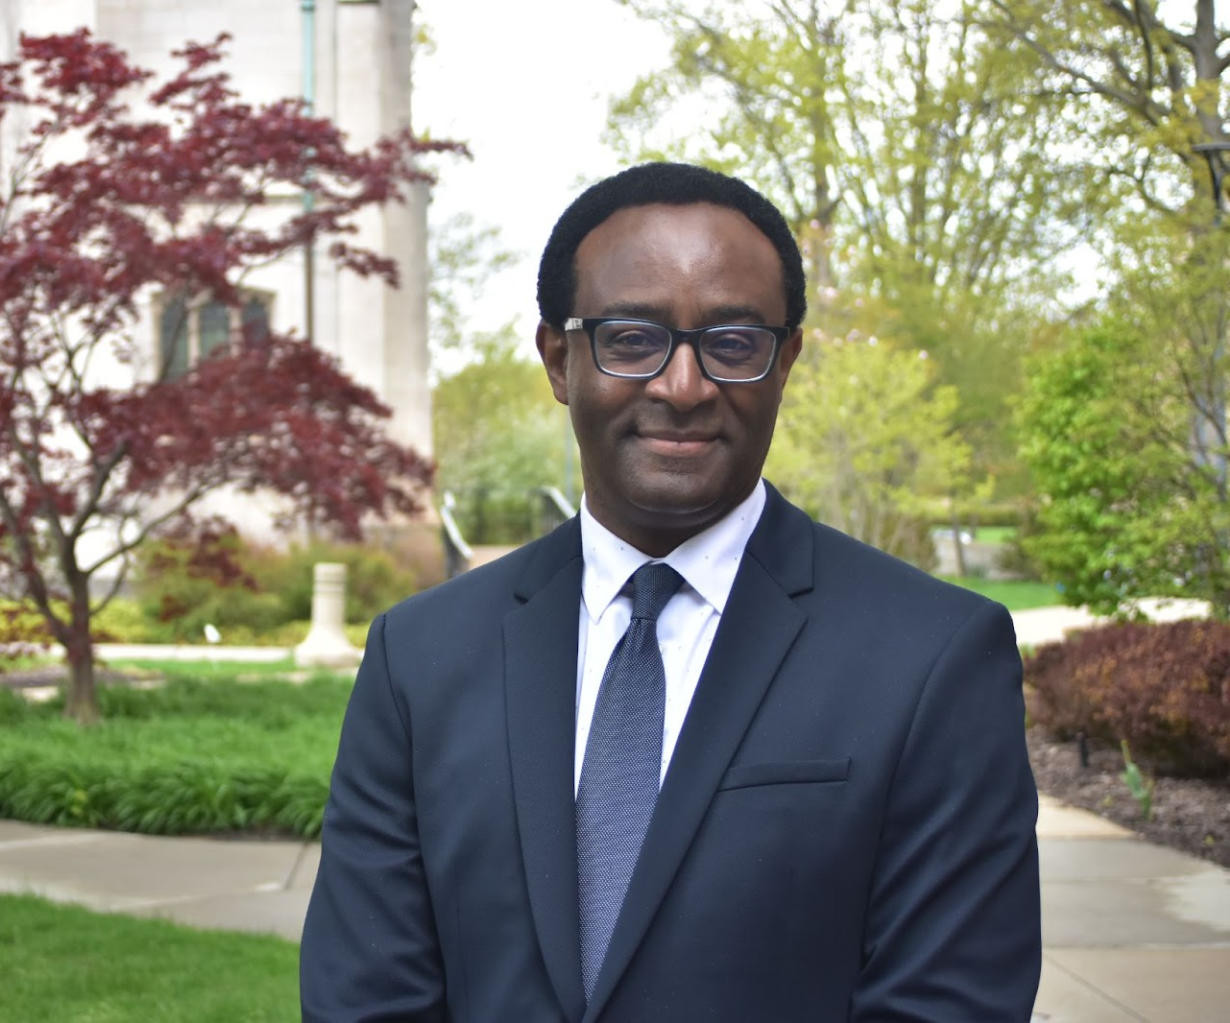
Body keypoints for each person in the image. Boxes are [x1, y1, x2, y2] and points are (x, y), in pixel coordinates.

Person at [300, 162, 1041, 1022]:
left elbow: (948, 1005)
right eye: (631, 337)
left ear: (785, 360)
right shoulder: (418, 659)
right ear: (557, 358)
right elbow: (367, 999)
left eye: (731, 343)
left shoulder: (934, 658)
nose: (682, 387)